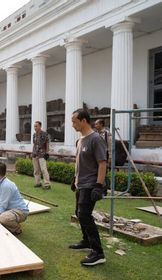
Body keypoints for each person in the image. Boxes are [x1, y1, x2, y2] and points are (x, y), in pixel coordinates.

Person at [69, 109, 107, 266]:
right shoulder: (81, 139)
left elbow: (102, 163)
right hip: (80, 183)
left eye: (74, 121)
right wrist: (74, 179)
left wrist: (98, 185)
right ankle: (86, 241)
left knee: (85, 215)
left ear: (84, 120)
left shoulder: (95, 139)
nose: (72, 125)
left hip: (90, 184)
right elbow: (80, 162)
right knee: (79, 213)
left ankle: (98, 253)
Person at [0, 162, 29, 235]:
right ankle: (1, 221)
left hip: (20, 211)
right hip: (10, 208)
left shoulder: (6, 185)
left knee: (3, 218)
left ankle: (16, 229)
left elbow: (3, 205)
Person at [32, 121, 51, 190]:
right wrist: (33, 152)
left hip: (42, 154)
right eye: (34, 126)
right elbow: (34, 144)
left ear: (40, 126)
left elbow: (47, 143)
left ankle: (47, 184)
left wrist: (47, 152)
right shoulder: (34, 135)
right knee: (36, 170)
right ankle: (38, 183)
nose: (35, 127)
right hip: (35, 154)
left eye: (36, 126)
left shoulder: (44, 134)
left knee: (43, 169)